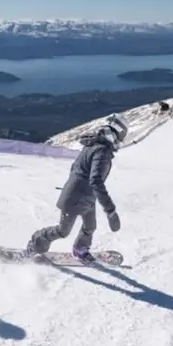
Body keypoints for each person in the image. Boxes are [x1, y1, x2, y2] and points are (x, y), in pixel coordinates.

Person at [25, 113, 129, 263]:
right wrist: (111, 211)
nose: (122, 140)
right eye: (123, 135)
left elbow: (77, 168)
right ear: (118, 133)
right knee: (63, 231)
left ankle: (80, 249)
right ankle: (36, 243)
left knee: (90, 226)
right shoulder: (102, 151)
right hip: (75, 198)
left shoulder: (95, 145)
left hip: (86, 196)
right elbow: (96, 181)